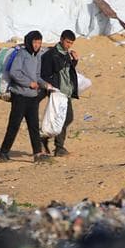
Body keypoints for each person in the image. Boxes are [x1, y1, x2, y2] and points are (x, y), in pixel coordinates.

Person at [0, 30, 50, 163]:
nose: (37, 45)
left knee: (33, 125)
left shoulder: (37, 56)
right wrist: (29, 83)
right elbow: (14, 72)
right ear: (29, 42)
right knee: (14, 125)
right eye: (35, 42)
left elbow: (37, 75)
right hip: (20, 96)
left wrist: (45, 85)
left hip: (33, 97)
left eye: (39, 42)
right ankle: (3, 152)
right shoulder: (22, 54)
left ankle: (37, 153)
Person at [40, 29, 80, 157]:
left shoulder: (66, 54)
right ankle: (56, 146)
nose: (69, 45)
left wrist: (74, 61)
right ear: (62, 39)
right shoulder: (51, 54)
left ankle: (51, 142)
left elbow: (67, 72)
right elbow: (44, 74)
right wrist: (51, 87)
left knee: (67, 118)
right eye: (68, 42)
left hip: (65, 91)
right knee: (62, 118)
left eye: (71, 43)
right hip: (57, 92)